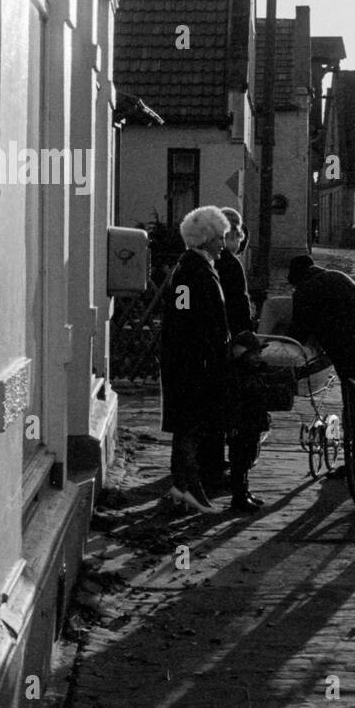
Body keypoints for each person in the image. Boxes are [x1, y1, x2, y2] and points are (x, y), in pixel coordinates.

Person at [160, 206, 232, 514]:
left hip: (189, 361)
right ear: (205, 239)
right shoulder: (191, 272)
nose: (223, 244)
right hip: (190, 364)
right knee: (189, 428)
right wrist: (206, 353)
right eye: (220, 237)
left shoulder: (194, 267)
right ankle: (187, 489)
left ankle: (185, 489)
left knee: (188, 428)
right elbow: (185, 318)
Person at [198, 207, 255, 494]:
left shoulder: (203, 261)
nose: (234, 241)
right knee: (230, 410)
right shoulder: (230, 264)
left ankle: (206, 467)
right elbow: (240, 306)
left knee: (207, 411)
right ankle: (224, 474)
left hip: (205, 346)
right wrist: (246, 339)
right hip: (228, 346)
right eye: (232, 235)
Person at [287, 254, 355, 379]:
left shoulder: (303, 291)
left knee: (349, 377)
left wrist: (281, 338)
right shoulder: (337, 275)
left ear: (296, 278)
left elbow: (299, 332)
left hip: (345, 339)